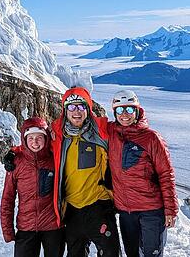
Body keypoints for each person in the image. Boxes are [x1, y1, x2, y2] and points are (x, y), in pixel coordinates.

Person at [50, 87, 120, 257]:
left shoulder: (102, 131)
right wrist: (15, 152)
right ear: (65, 111)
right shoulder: (58, 136)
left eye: (81, 107)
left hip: (99, 206)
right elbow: (34, 144)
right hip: (72, 210)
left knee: (110, 252)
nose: (76, 112)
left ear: (88, 110)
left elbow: (131, 131)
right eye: (72, 107)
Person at [107, 90, 178, 257]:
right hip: (126, 212)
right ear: (114, 112)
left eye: (129, 110)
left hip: (151, 211)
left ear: (137, 111)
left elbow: (166, 174)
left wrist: (170, 210)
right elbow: (86, 121)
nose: (124, 114)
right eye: (119, 110)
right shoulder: (111, 133)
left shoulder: (151, 138)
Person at [0, 117, 65, 257]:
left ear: (46, 138)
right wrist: (7, 229)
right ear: (24, 139)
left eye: (39, 137)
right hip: (26, 227)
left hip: (53, 227)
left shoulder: (55, 158)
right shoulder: (16, 162)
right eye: (31, 138)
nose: (35, 142)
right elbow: (8, 198)